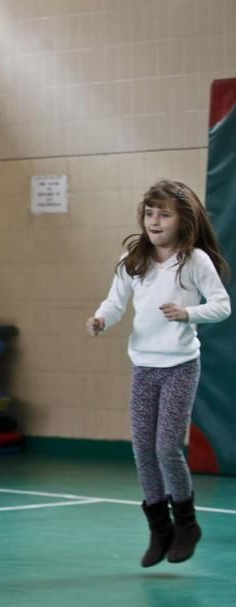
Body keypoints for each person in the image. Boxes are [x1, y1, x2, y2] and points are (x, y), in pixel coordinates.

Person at [86, 180, 230, 567]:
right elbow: (115, 302)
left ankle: (186, 523)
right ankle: (158, 527)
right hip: (144, 366)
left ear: (183, 220)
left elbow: (221, 305)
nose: (154, 221)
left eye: (164, 214)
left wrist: (189, 313)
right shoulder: (134, 258)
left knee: (167, 448)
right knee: (143, 451)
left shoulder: (194, 261)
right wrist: (102, 319)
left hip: (180, 365)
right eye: (149, 213)